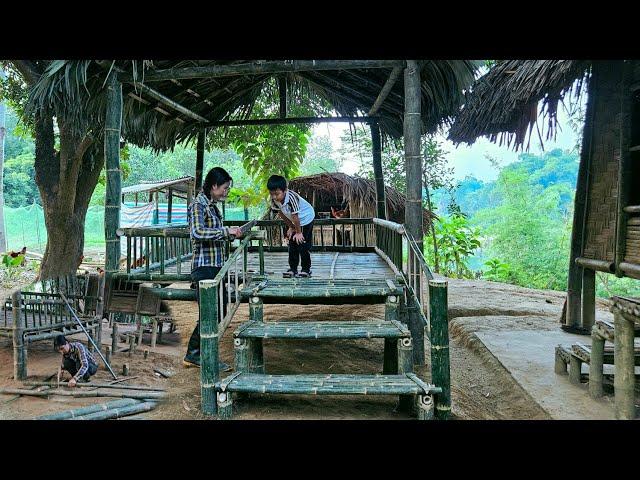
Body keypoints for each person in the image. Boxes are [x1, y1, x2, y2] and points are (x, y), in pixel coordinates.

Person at [184, 167, 244, 368]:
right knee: (210, 312)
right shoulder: (197, 205)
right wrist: (227, 231)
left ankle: (196, 354)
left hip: (215, 266)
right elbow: (198, 232)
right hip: (204, 266)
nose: (226, 192)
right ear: (214, 186)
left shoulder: (212, 206)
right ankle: (200, 356)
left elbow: (214, 232)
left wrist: (231, 234)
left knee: (218, 309)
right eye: (224, 188)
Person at [267, 174, 315, 278]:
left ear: (285, 190)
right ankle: (293, 269)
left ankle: (306, 269)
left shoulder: (291, 198)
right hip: (294, 221)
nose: (274, 197)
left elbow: (295, 216)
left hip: (306, 218)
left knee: (302, 245)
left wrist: (298, 232)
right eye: (272, 194)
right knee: (292, 244)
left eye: (277, 194)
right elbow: (281, 214)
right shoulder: (274, 200)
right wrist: (291, 227)